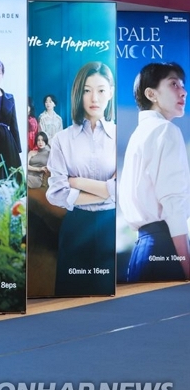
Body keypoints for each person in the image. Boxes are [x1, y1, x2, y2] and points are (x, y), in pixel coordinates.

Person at [46, 62, 116, 296]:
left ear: (111, 92)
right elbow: (56, 193)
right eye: (87, 90)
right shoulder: (62, 139)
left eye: (101, 90)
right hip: (76, 228)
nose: (94, 97)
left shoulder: (122, 137)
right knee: (70, 302)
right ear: (78, 93)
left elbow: (123, 190)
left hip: (112, 228)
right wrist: (106, 191)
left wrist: (76, 182)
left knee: (113, 305)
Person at [118, 62, 190, 282]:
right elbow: (173, 204)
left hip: (142, 251)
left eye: (183, 85)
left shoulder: (139, 134)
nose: (183, 91)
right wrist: (186, 264)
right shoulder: (166, 130)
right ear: (151, 94)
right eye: (173, 84)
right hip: (166, 248)